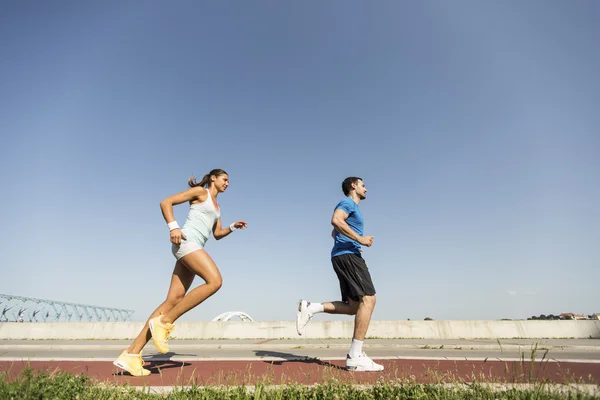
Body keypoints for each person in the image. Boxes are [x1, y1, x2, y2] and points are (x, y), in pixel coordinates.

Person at [114, 169, 247, 376]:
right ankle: (164, 322)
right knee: (215, 281)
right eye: (225, 179)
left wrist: (233, 226)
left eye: (229, 181)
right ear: (213, 178)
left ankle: (131, 354)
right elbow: (165, 202)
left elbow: (217, 234)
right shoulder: (200, 193)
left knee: (172, 300)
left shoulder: (218, 207)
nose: (227, 183)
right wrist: (173, 227)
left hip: (192, 247)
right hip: (187, 242)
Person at [296, 177, 383, 372]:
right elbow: (336, 221)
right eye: (363, 185)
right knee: (369, 300)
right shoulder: (348, 203)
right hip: (348, 256)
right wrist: (359, 239)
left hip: (346, 255)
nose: (366, 189)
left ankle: (311, 308)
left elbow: (334, 232)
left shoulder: (352, 207)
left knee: (354, 306)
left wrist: (351, 244)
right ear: (353, 186)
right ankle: (355, 356)